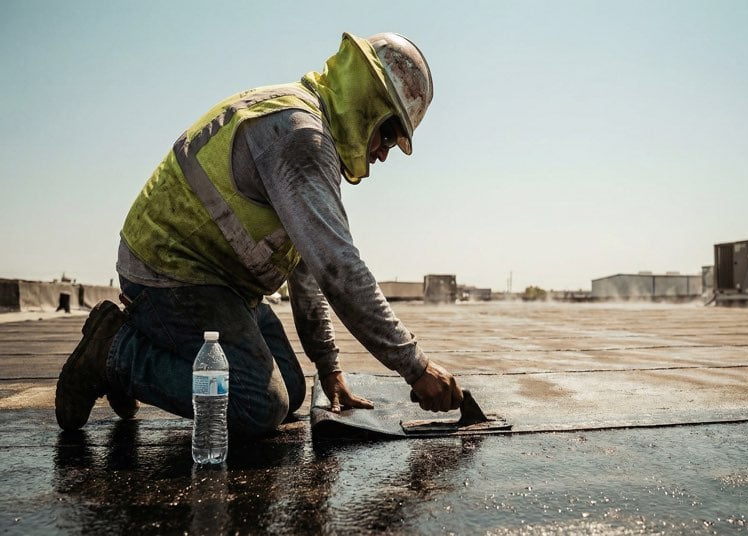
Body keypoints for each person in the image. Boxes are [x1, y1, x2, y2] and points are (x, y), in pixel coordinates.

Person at [55, 32, 464, 438]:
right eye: (389, 133)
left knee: (292, 385)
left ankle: (141, 351)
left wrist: (329, 369)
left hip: (223, 284)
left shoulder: (307, 131)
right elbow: (339, 269)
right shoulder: (302, 136)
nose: (384, 153)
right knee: (258, 405)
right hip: (172, 271)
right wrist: (417, 367)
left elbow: (309, 273)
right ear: (366, 104)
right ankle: (116, 353)